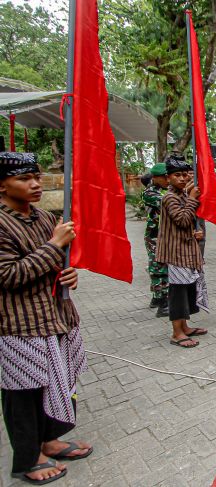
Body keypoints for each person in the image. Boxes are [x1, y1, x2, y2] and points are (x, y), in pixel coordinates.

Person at [0, 152, 93, 484]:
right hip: (20, 323)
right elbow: (8, 275)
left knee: (57, 380)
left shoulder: (42, 217)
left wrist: (69, 273)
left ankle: (51, 440)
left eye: (36, 176)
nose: (35, 184)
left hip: (55, 316)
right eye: (24, 179)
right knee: (23, 391)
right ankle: (27, 458)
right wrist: (55, 245)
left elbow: (56, 262)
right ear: (2, 185)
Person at [155, 155, 209, 348]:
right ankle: (176, 333)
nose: (183, 178)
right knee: (178, 291)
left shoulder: (182, 195)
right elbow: (182, 220)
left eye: (185, 175)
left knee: (186, 289)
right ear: (168, 178)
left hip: (186, 249)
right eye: (177, 175)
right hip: (176, 253)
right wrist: (193, 199)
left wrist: (196, 233)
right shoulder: (169, 197)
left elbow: (186, 224)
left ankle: (184, 327)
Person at [142, 163, 169, 317]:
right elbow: (168, 203)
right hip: (155, 236)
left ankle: (157, 299)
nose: (168, 179)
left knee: (158, 266)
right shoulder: (150, 193)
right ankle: (163, 303)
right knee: (160, 269)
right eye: (166, 176)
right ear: (156, 177)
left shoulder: (159, 190)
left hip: (159, 235)